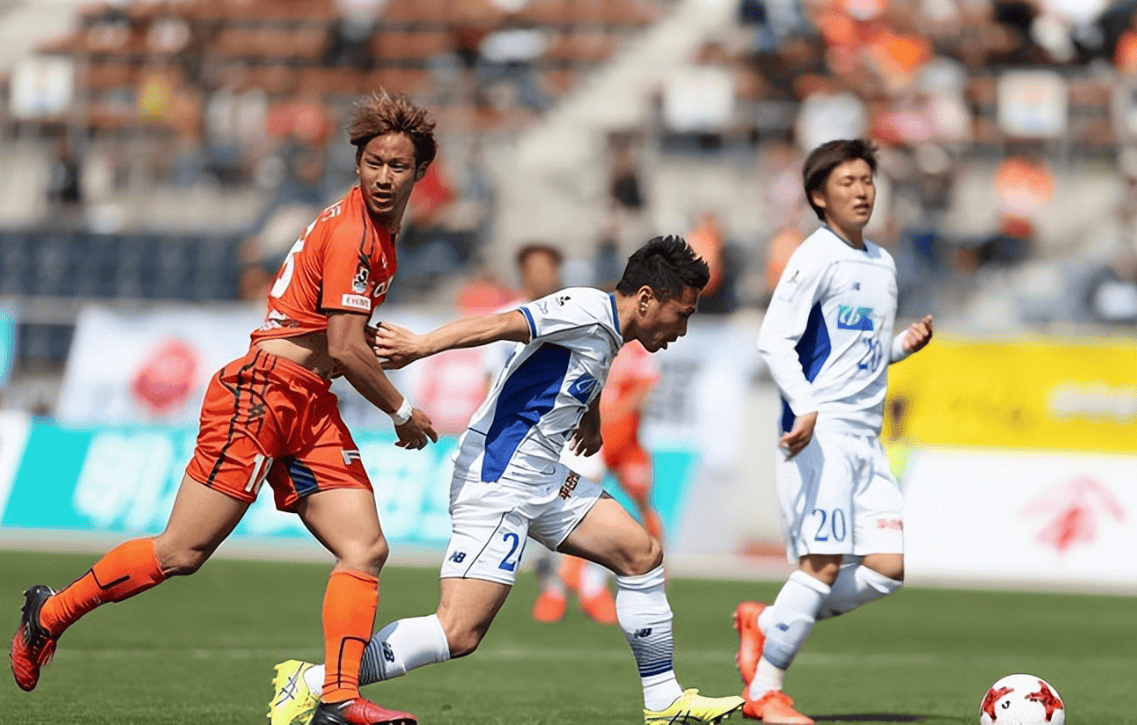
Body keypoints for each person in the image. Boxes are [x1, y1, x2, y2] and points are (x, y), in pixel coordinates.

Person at [11, 92, 441, 725]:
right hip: (263, 393)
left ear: (419, 173)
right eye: (374, 162)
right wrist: (403, 411)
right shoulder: (354, 233)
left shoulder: (377, 231)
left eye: (398, 166)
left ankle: (338, 699)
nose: (383, 176)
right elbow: (347, 344)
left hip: (309, 404)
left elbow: (336, 336)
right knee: (180, 554)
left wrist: (349, 347)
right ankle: (48, 615)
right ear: (357, 164)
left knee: (365, 548)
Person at [269, 236, 745, 725]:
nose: (683, 329)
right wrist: (420, 345)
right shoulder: (584, 306)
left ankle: (665, 703)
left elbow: (581, 369)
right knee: (457, 633)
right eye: (682, 313)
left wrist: (591, 419)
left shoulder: (607, 331)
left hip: (544, 479)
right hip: (497, 480)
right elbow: (501, 324)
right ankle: (310, 682)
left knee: (641, 554)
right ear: (646, 298)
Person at [733, 139, 933, 725]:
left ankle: (767, 623)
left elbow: (857, 354)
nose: (862, 190)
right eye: (847, 182)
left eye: (867, 179)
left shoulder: (882, 262)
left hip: (865, 438)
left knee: (886, 569)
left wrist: (899, 348)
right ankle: (765, 691)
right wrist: (804, 405)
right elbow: (774, 339)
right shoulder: (814, 256)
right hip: (818, 432)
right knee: (820, 565)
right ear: (820, 196)